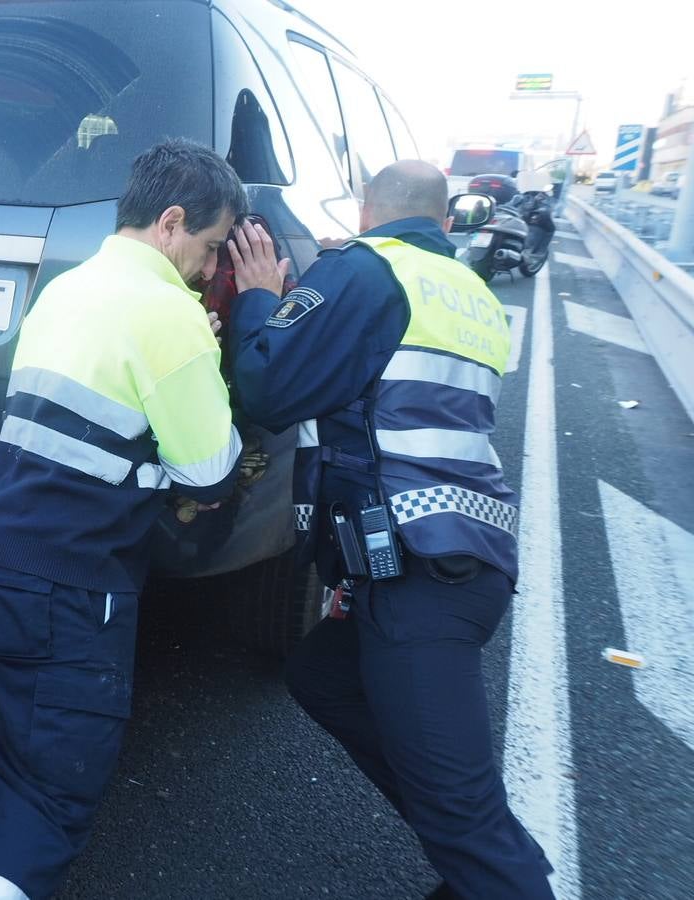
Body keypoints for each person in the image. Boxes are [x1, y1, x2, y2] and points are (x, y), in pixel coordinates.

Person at [0, 139, 247, 900]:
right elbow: (209, 471)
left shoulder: (68, 287)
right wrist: (206, 361)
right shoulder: (170, 315)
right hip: (68, 593)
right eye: (211, 247)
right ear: (172, 222)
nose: (211, 270)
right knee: (46, 800)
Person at [226, 160, 554, 900]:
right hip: (463, 555)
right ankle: (472, 849)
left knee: (462, 808)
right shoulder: (472, 292)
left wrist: (256, 301)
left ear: (368, 209)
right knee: (322, 676)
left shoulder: (366, 270)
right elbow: (391, 420)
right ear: (444, 219)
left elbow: (268, 387)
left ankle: (492, 865)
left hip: (420, 578)